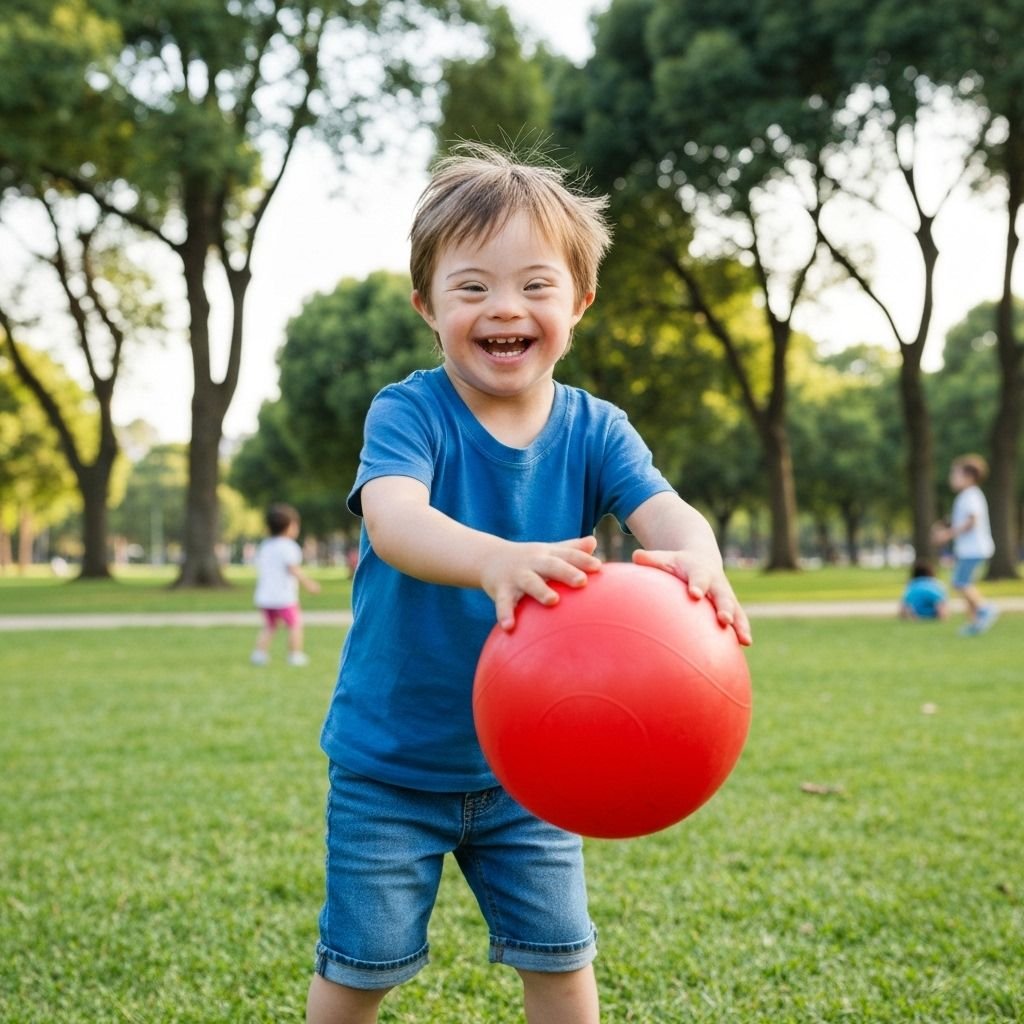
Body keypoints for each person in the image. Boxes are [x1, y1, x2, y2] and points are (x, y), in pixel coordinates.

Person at [305, 143, 752, 1024]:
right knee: (363, 965)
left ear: (578, 302)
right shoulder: (410, 412)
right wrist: (494, 560)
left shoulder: (598, 429)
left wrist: (699, 555)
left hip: (536, 771)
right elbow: (394, 520)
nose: (505, 307)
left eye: (535, 285)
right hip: (391, 765)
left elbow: (666, 511)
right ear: (428, 306)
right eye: (472, 287)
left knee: (561, 958)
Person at [930, 453, 998, 636]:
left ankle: (984, 608)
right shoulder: (967, 496)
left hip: (974, 549)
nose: (951, 478)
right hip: (971, 549)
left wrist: (947, 534)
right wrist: (945, 527)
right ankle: (974, 624)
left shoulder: (970, 495)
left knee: (960, 582)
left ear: (969, 477)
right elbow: (961, 519)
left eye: (955, 474)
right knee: (965, 584)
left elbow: (972, 521)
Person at [250, 503, 321, 666]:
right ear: (290, 527)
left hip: (265, 596)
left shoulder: (266, 546)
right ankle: (295, 655)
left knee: (270, 626)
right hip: (283, 596)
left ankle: (259, 654)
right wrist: (309, 584)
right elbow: (293, 569)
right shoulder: (289, 547)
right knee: (295, 624)